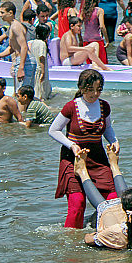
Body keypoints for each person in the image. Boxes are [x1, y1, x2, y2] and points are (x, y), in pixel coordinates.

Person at [48, 69, 119, 228]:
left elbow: (107, 129)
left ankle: (108, 231)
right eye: (90, 90)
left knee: (113, 199)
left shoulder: (104, 106)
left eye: (98, 89)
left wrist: (114, 141)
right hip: (73, 160)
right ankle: (72, 244)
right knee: (78, 204)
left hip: (98, 159)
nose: (95, 93)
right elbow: (53, 130)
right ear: (81, 88)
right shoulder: (71, 107)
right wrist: (72, 145)